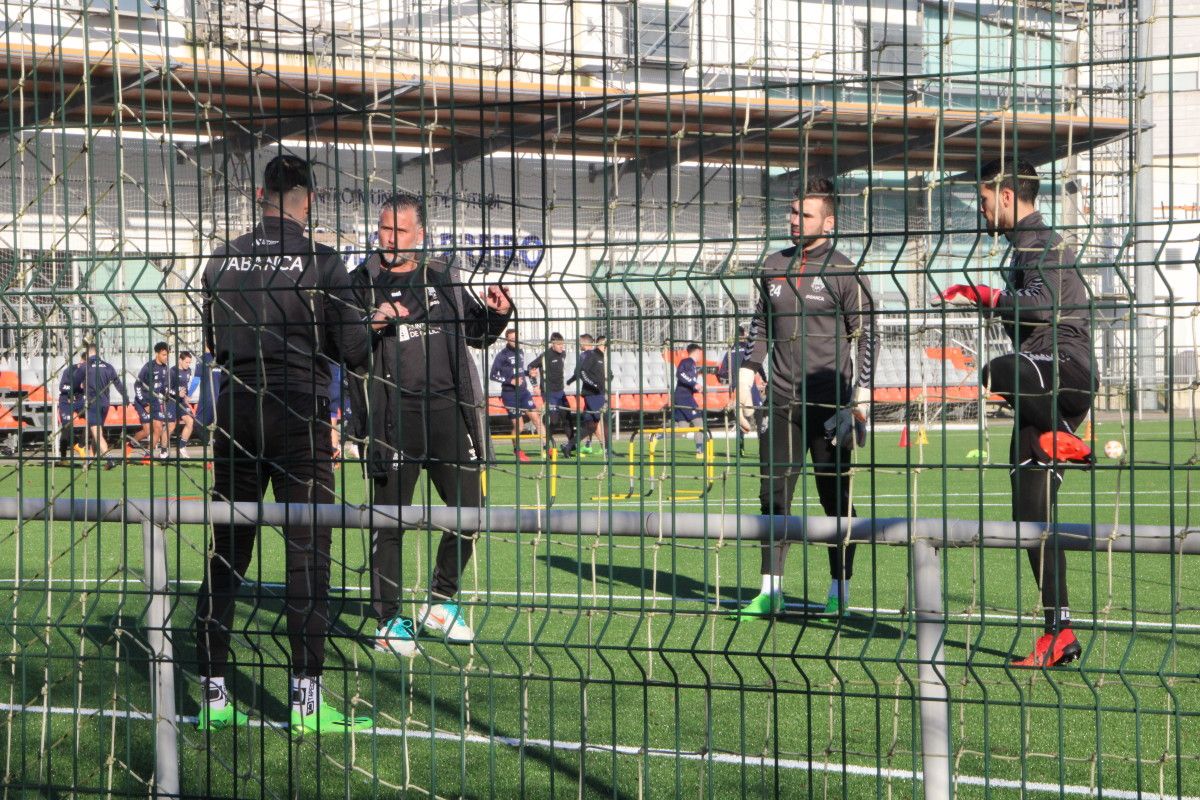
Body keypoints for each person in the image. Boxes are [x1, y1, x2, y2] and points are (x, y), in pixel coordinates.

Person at [195, 154, 373, 734]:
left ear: (256, 194)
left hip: (238, 412)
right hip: (299, 414)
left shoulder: (221, 260)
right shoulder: (323, 261)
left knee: (227, 555)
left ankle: (215, 695)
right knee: (307, 557)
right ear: (310, 200)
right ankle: (305, 703)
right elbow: (355, 352)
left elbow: (213, 345)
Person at [935, 158, 1096, 668]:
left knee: (998, 370)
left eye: (984, 201)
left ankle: (1068, 438)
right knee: (1030, 516)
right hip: (1042, 386)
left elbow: (1042, 304)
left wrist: (986, 296)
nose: (981, 211)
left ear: (1006, 196)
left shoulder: (1041, 241)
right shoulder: (1021, 246)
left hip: (1064, 368)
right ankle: (1059, 632)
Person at [350, 192, 511, 659]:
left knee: (470, 510)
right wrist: (373, 324)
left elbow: (476, 334)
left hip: (448, 411)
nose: (390, 239)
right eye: (384, 229)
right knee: (389, 521)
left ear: (420, 234)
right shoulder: (361, 282)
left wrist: (498, 313)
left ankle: (441, 604)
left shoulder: (441, 276)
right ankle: (388, 621)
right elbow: (346, 348)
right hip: (390, 417)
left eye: (400, 231)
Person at [731, 176, 876, 619]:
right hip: (779, 398)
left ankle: (839, 589)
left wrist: (861, 398)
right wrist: (745, 375)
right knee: (773, 495)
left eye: (804, 214)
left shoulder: (845, 271)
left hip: (831, 403)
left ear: (828, 222)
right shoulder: (772, 265)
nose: (794, 221)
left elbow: (866, 336)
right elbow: (760, 327)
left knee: (835, 499)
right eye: (792, 213)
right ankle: (770, 588)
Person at [490, 328, 545, 462]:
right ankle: (517, 450)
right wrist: (510, 381)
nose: (515, 341)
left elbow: (518, 371)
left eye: (516, 338)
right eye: (511, 339)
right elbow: (493, 375)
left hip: (523, 393)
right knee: (519, 426)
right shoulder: (502, 355)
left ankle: (545, 448)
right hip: (509, 395)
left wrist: (528, 374)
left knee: (537, 418)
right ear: (507, 340)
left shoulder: (520, 352)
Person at [72, 342, 128, 467]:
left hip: (92, 404)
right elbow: (118, 383)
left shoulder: (86, 367)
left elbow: (74, 383)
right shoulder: (108, 366)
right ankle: (89, 461)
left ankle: (109, 458)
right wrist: (125, 396)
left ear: (88, 353)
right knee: (95, 433)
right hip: (105, 404)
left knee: (97, 433)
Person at [561, 334, 610, 457]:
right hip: (593, 395)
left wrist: (608, 377)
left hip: (597, 394)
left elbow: (607, 373)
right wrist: (594, 385)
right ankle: (608, 450)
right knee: (605, 420)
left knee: (590, 426)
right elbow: (581, 372)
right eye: (603, 344)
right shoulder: (591, 355)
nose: (605, 346)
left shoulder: (602, 357)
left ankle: (569, 446)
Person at [718, 328, 765, 457]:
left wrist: (731, 378)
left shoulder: (729, 352)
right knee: (760, 415)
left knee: (740, 418)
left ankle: (740, 447)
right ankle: (763, 448)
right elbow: (757, 364)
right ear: (743, 335)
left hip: (736, 389)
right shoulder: (747, 349)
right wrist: (765, 378)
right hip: (749, 387)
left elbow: (721, 373)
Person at [528, 332, 568, 447]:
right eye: (559, 344)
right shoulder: (546, 355)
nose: (562, 347)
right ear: (553, 344)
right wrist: (535, 385)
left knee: (567, 418)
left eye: (562, 344)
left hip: (561, 391)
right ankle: (546, 438)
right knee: (554, 420)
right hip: (549, 392)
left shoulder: (563, 354)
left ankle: (571, 446)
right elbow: (530, 367)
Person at [135, 342, 172, 459]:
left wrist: (166, 394)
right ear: (157, 354)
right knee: (147, 431)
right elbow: (137, 386)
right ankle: (130, 443)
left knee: (159, 428)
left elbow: (163, 387)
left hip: (155, 401)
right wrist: (144, 404)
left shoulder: (166, 368)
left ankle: (148, 456)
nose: (166, 357)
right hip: (142, 401)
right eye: (164, 355)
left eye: (167, 355)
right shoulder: (148, 367)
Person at [672, 343, 708, 459]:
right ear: (696, 352)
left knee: (682, 428)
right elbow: (680, 374)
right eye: (700, 353)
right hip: (683, 397)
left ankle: (658, 435)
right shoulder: (687, 361)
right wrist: (694, 384)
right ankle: (700, 450)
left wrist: (697, 388)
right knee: (699, 422)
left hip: (684, 396)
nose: (700, 356)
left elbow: (687, 381)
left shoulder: (692, 365)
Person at [56, 349, 86, 462]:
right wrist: (71, 391)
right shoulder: (69, 370)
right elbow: (62, 387)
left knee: (93, 419)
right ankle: (63, 457)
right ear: (82, 361)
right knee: (67, 427)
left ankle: (80, 444)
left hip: (79, 400)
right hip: (66, 400)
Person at [169, 350, 195, 458]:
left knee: (190, 421)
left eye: (189, 362)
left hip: (181, 402)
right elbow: (166, 389)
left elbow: (186, 386)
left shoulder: (188, 371)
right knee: (171, 426)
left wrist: (186, 396)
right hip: (171, 401)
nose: (188, 365)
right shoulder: (172, 371)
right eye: (186, 362)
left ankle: (182, 446)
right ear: (180, 360)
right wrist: (177, 393)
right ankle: (164, 450)